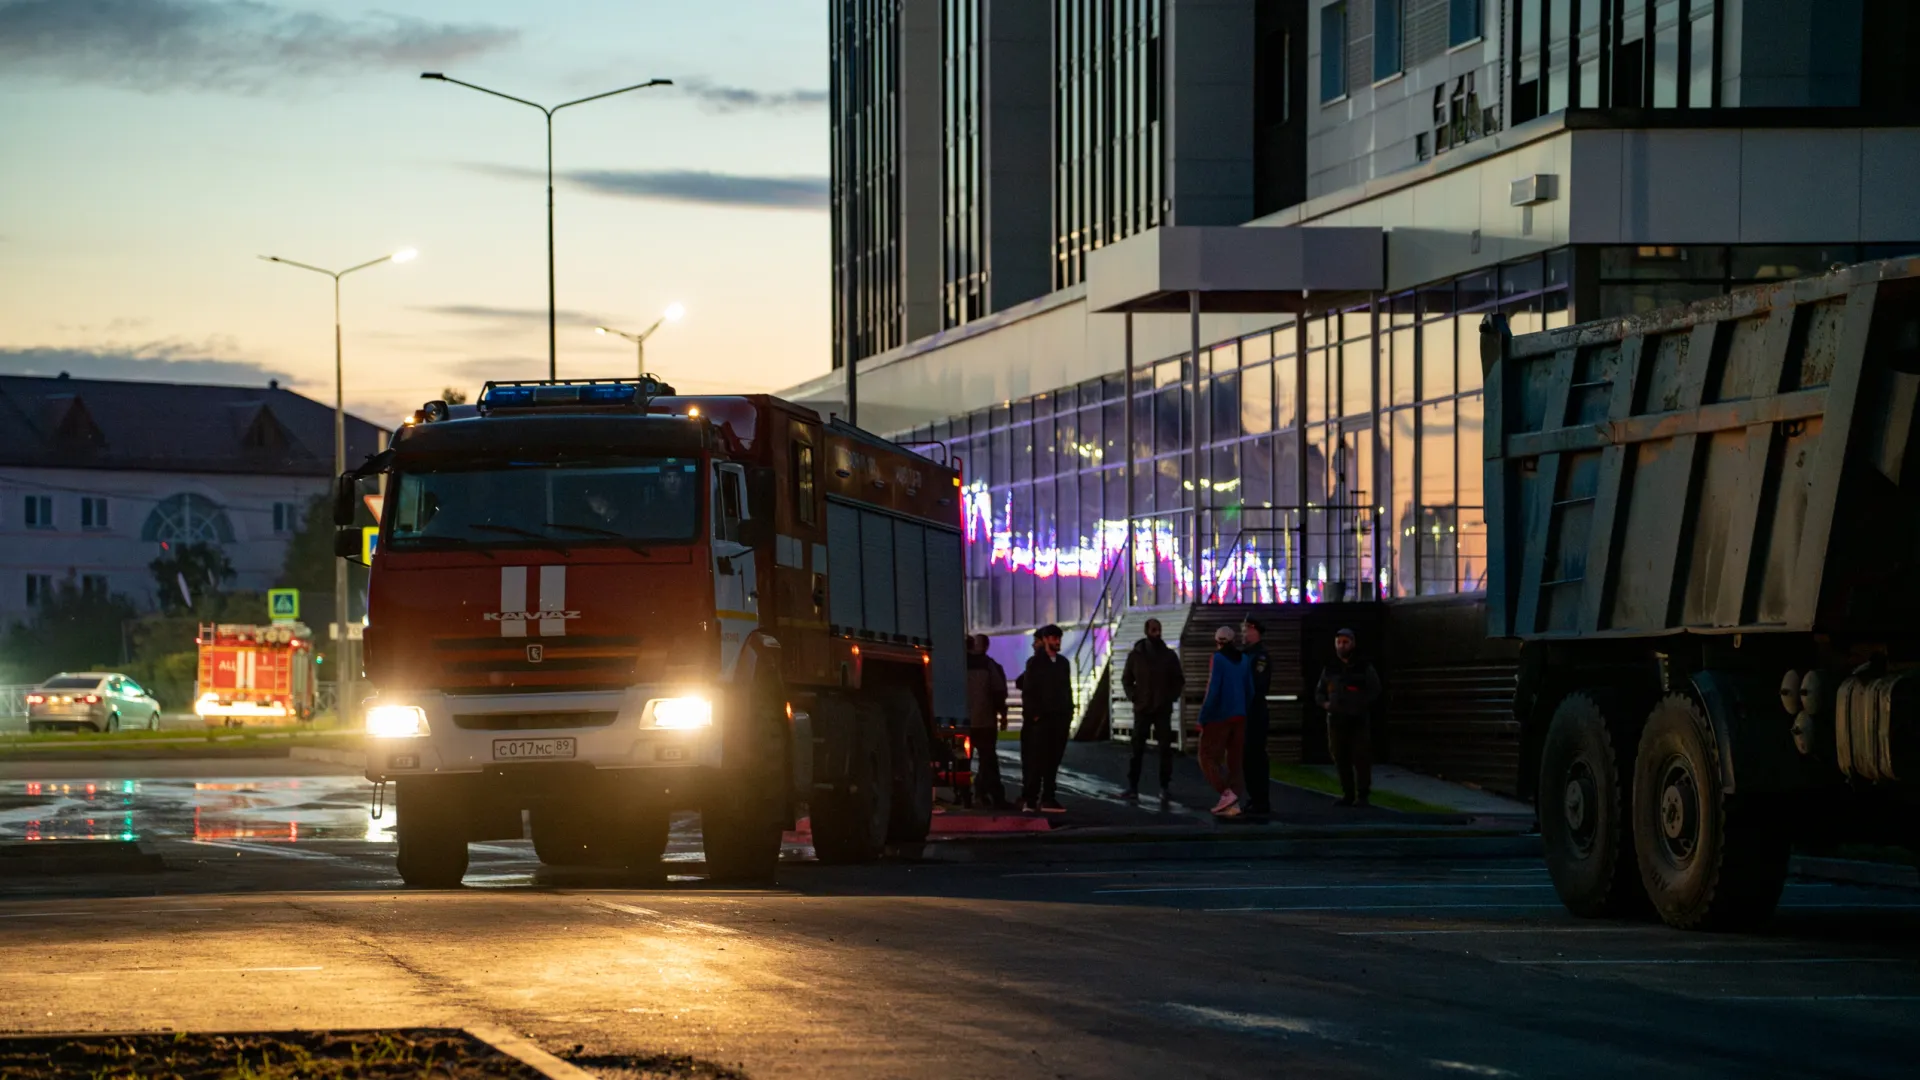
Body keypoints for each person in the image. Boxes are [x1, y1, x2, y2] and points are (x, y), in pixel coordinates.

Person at [1120, 618, 1184, 809]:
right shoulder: (1136, 655)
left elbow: (1178, 680)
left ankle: (1164, 786)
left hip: (1161, 708)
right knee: (1137, 748)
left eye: (1159, 629)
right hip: (1143, 708)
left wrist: (1169, 697)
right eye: (1154, 630)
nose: (1157, 633)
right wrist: (1135, 697)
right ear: (1147, 631)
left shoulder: (1168, 656)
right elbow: (1126, 679)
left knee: (1164, 749)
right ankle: (1133, 786)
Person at [1315, 627, 1383, 807]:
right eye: (1339, 642)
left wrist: (1360, 703)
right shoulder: (1330, 667)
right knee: (1340, 757)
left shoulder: (1363, 666)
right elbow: (1319, 692)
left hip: (1357, 719)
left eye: (1345, 642)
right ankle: (1347, 793)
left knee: (1361, 758)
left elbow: (1375, 689)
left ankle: (1363, 795)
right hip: (1336, 719)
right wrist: (1326, 704)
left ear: (1353, 643)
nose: (1341, 646)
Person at [1195, 625, 1254, 818]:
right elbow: (1250, 690)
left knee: (1206, 756)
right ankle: (1234, 802)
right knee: (1234, 762)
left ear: (1218, 642)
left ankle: (1225, 794)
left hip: (1220, 717)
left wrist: (1203, 717)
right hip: (1240, 716)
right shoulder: (1244, 660)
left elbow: (1213, 690)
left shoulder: (1218, 659)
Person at [1015, 624, 1073, 813]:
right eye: (1054, 638)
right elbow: (1029, 691)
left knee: (1052, 761)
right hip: (1043, 721)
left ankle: (1047, 797)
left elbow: (1066, 690)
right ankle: (1032, 799)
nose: (1057, 642)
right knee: (1037, 760)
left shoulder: (1063, 663)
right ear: (1046, 639)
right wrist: (1036, 715)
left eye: (1058, 638)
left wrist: (1067, 714)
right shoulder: (1035, 663)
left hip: (1058, 720)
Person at [965, 634, 1009, 808]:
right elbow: (999, 692)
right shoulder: (990, 665)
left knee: (963, 762)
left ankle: (964, 796)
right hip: (985, 721)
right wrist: (1002, 715)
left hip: (962, 722)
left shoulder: (957, 666)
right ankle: (988, 795)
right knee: (988, 761)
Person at [1239, 618, 1272, 819]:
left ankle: (1261, 799)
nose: (1243, 634)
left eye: (1245, 630)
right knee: (1247, 757)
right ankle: (1254, 797)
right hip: (1245, 711)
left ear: (1254, 631)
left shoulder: (1260, 657)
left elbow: (1258, 686)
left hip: (1255, 711)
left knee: (1255, 756)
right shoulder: (1246, 655)